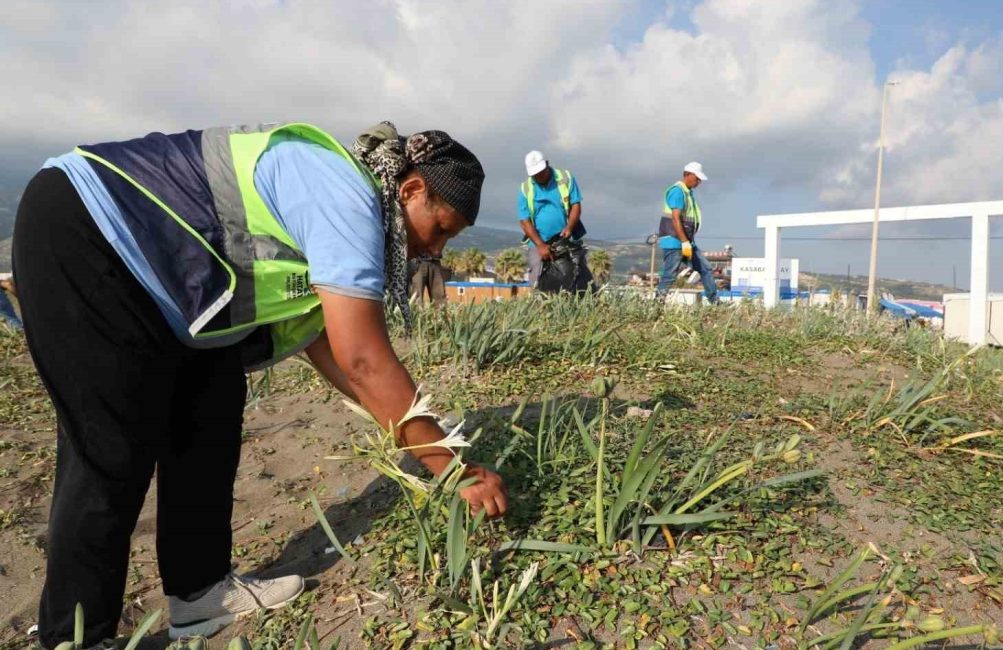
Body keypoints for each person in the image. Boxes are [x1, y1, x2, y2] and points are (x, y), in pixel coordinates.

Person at [13, 121, 507, 649]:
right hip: (88, 227)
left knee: (211, 404)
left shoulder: (348, 210)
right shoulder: (344, 195)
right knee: (110, 444)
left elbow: (333, 350)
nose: (432, 250)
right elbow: (364, 361)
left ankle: (200, 591)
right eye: (440, 229)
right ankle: (76, 638)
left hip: (177, 286)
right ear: (410, 190)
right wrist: (454, 470)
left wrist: (427, 437)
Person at [517, 150, 594, 292]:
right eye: (535, 174)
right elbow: (524, 221)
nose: (538, 176)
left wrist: (569, 227)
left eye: (541, 172)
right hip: (539, 241)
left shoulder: (565, 178)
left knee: (578, 277)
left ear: (547, 164)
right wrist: (540, 245)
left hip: (566, 240)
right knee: (538, 282)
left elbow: (575, 205)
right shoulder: (525, 188)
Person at [655, 162, 718, 304]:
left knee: (706, 269)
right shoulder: (678, 191)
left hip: (686, 241)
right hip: (675, 241)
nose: (699, 181)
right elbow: (675, 218)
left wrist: (687, 242)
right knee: (670, 275)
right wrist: (684, 242)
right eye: (697, 178)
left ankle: (715, 302)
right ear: (687, 175)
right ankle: (657, 304)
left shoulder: (687, 193)